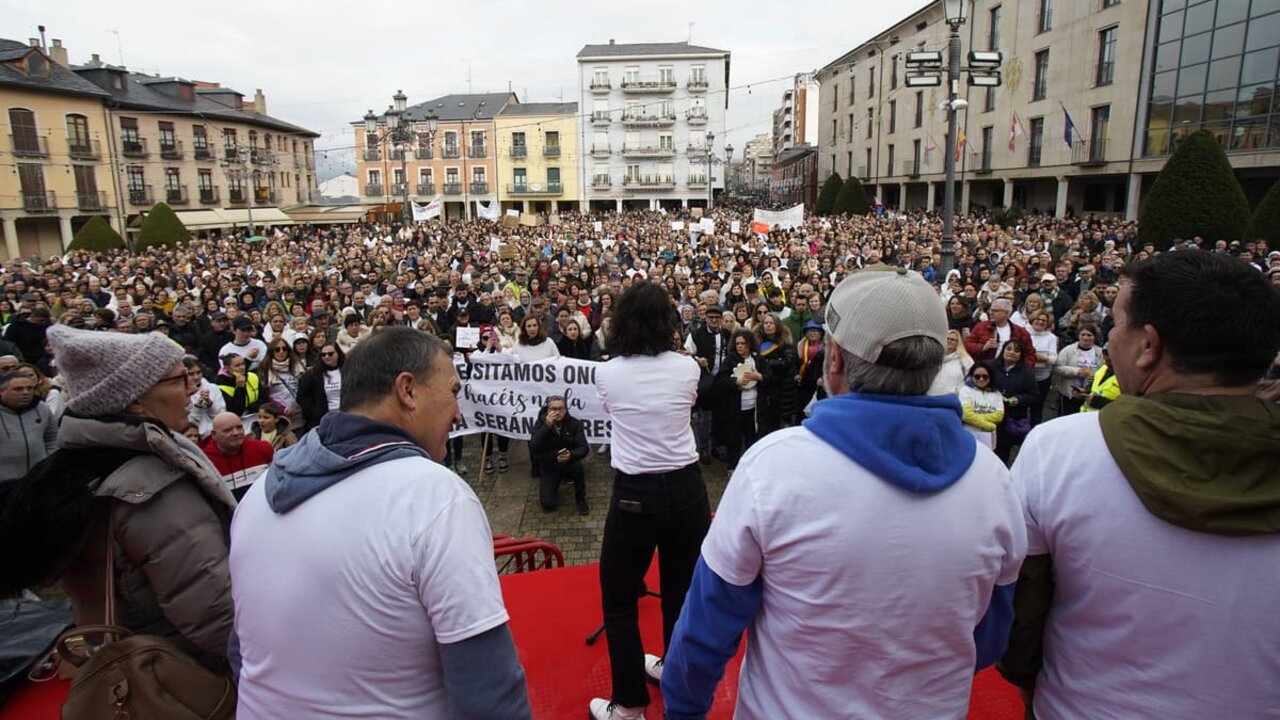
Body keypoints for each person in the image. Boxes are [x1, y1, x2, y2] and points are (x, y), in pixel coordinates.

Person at [660, 265, 1026, 719]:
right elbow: (989, 639)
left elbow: (705, 631)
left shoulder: (773, 466)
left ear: (834, 360)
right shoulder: (997, 482)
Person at [999, 251, 1280, 718]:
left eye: (1118, 323)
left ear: (1148, 346)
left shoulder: (1060, 451)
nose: (1109, 336)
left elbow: (1019, 611)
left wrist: (1027, 682)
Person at [230, 326, 532, 719]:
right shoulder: (434, 496)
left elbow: (240, 652)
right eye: (453, 393)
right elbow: (487, 688)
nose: (458, 414)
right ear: (407, 390)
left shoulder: (258, 492)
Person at [43, 325, 236, 672]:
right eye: (179, 380)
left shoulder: (84, 462)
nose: (193, 390)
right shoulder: (151, 487)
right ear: (134, 400)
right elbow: (214, 614)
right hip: (180, 672)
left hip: (140, 658)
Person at [590, 281, 712, 720]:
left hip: (635, 493)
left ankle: (628, 705)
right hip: (687, 491)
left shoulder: (607, 372)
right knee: (681, 592)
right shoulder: (687, 368)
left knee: (620, 600)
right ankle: (673, 673)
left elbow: (611, 411)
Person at [528, 396, 590, 514]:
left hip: (568, 463)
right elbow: (534, 446)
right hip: (549, 467)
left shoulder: (574, 424)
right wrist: (547, 426)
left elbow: (584, 448)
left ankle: (580, 498)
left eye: (561, 408)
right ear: (548, 410)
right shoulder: (540, 424)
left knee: (578, 467)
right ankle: (553, 486)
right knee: (548, 504)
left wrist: (571, 454)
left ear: (566, 409)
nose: (558, 412)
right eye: (554, 409)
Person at [684, 304, 730, 464]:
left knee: (721, 416)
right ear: (706, 318)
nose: (714, 320)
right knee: (704, 417)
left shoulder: (727, 334)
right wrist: (697, 360)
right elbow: (686, 353)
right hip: (705, 381)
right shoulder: (696, 334)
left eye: (717, 318)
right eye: (711, 318)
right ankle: (703, 448)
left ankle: (718, 446)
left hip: (722, 381)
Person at [716, 329, 764, 472]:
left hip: (754, 407)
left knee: (752, 438)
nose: (740, 346)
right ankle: (732, 467)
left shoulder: (758, 360)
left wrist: (759, 377)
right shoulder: (730, 360)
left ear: (750, 344)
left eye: (743, 343)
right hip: (735, 407)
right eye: (737, 343)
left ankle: (751, 467)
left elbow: (770, 378)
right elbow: (720, 380)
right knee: (734, 439)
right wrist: (735, 382)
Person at [200, 411, 275, 500]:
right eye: (228, 430)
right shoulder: (203, 461)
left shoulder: (263, 449)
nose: (236, 433)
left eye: (239, 427)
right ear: (214, 435)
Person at [0, 368, 58, 481]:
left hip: (38, 481)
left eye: (30, 388)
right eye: (18, 389)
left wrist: (49, 463)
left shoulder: (42, 409)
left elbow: (52, 438)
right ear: (2, 391)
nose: (25, 392)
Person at [988, 339, 1038, 464]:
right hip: (987, 415)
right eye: (1008, 349)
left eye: (1016, 350)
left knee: (1002, 455)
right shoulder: (989, 366)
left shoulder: (1027, 373)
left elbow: (1034, 395)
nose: (1012, 352)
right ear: (1003, 350)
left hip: (1011, 419)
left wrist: (1019, 399)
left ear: (1021, 355)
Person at [965, 298, 1035, 367]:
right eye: (990, 310)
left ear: (1006, 313)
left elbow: (1030, 355)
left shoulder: (1021, 332)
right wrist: (983, 347)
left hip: (1011, 373)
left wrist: (1021, 368)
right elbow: (967, 344)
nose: (991, 313)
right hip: (985, 371)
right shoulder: (980, 327)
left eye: (995, 311)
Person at [1051, 324, 1102, 416]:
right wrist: (1076, 372)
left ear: (1094, 337)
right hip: (1070, 394)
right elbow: (1057, 368)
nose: (1085, 338)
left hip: (1089, 394)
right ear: (1078, 336)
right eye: (1083, 334)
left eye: (1089, 335)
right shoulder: (1068, 350)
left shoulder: (1100, 353)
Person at [297, 343, 343, 431]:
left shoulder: (348, 370)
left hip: (345, 417)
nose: (327, 357)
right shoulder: (312, 374)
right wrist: (315, 412)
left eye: (330, 354)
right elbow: (302, 397)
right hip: (323, 420)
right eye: (323, 355)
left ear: (338, 353)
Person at [959, 364, 1004, 449]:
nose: (981, 379)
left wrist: (974, 418)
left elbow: (999, 416)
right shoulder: (965, 390)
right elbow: (966, 415)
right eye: (977, 376)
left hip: (989, 437)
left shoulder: (996, 393)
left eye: (985, 376)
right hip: (969, 433)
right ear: (972, 377)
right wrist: (987, 425)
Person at [185, 355, 226, 439]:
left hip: (214, 436)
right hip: (193, 438)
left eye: (198, 372)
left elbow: (221, 417)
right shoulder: (179, 392)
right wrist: (197, 407)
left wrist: (210, 404)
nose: (196, 377)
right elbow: (185, 423)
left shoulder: (213, 388)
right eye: (191, 374)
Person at [928, 328, 975, 396]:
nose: (949, 341)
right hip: (931, 397)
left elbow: (972, 379)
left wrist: (959, 391)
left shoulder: (966, 360)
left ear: (958, 342)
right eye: (947, 339)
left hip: (953, 399)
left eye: (952, 339)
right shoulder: (933, 357)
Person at [1079, 345, 1120, 413]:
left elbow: (1127, 407)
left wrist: (1098, 402)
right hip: (1087, 415)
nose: (1106, 363)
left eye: (1109, 361)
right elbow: (1096, 386)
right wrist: (1085, 391)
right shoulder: (1103, 368)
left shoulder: (1128, 378)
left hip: (1106, 419)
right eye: (1104, 360)